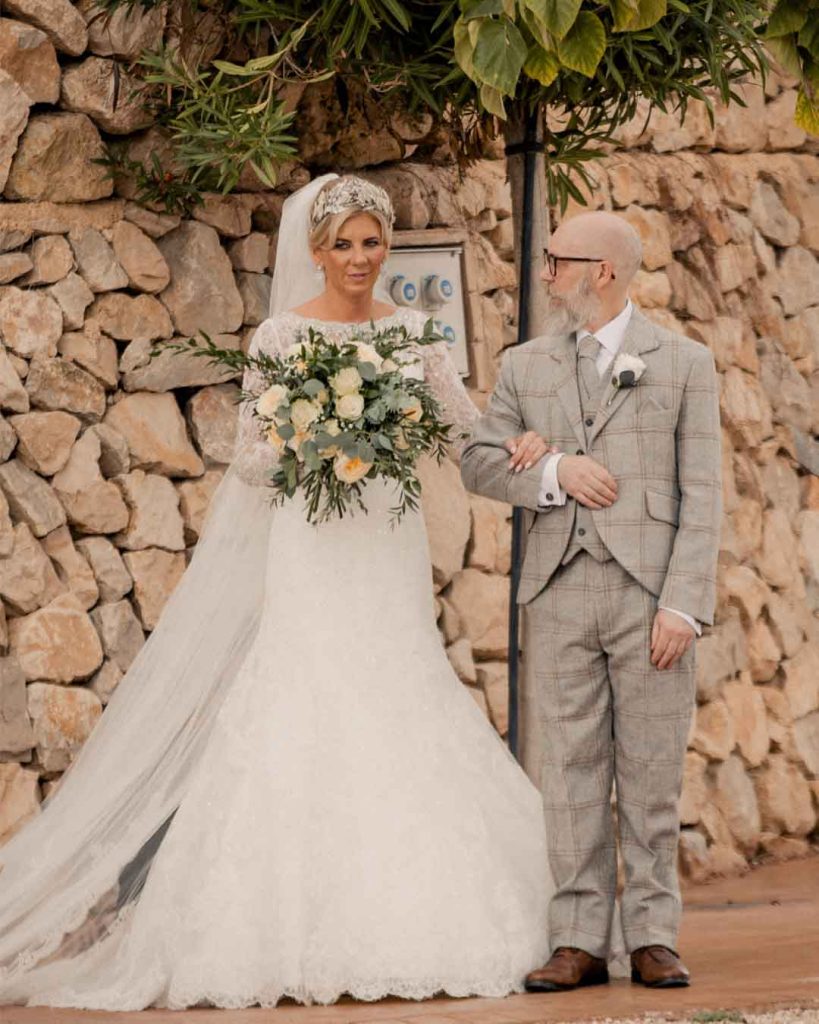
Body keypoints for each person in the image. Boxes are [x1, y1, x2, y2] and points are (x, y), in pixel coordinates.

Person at [0, 175, 555, 1010]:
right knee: (303, 699)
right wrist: (324, 436)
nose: (360, 258)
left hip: (383, 543)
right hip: (312, 543)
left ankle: (416, 916)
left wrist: (522, 444)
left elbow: (460, 426)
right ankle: (278, 928)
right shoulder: (282, 338)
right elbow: (252, 458)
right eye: (344, 244)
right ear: (317, 251)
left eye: (373, 242)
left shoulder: (412, 334)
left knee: (397, 689)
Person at [461, 211, 721, 992]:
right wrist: (552, 475)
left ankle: (651, 934)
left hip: (650, 599)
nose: (542, 273)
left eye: (554, 261)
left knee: (649, 770)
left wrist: (683, 604)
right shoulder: (525, 366)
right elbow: (477, 460)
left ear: (600, 271)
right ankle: (576, 937)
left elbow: (702, 492)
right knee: (568, 768)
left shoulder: (683, 363)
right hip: (558, 588)